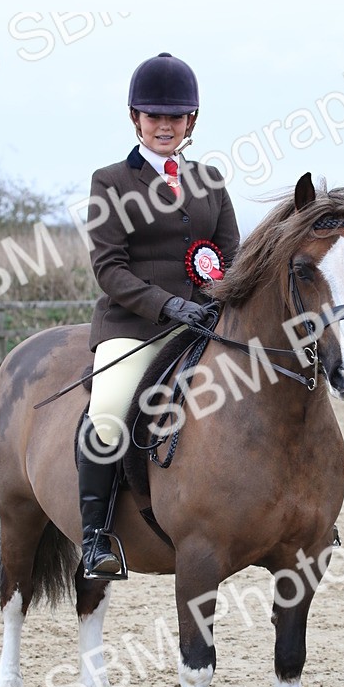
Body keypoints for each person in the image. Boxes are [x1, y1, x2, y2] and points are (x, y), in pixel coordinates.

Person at [79, 51, 240, 579]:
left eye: (175, 116)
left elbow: (231, 258)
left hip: (205, 325)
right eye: (154, 116)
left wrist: (217, 302)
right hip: (136, 325)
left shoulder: (211, 181)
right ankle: (96, 537)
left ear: (191, 121)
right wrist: (167, 304)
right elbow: (109, 268)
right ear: (135, 119)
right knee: (108, 409)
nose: (164, 125)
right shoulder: (110, 182)